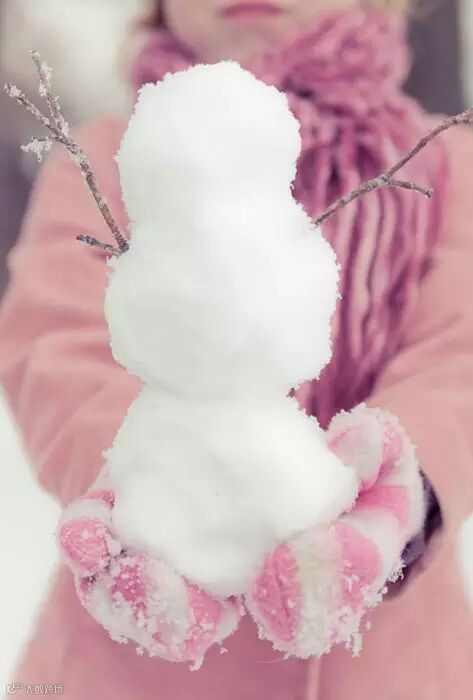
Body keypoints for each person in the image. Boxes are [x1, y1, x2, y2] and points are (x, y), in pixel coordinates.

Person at [0, 1, 472, 698]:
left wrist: (399, 490)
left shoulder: (444, 164)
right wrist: (139, 482)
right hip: (131, 671)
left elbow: (460, 353)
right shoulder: (110, 159)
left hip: (396, 667)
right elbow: (55, 342)